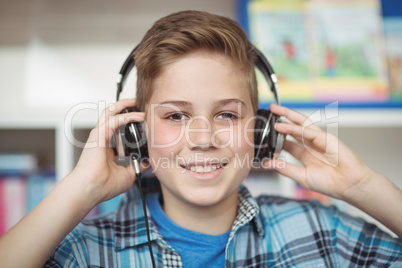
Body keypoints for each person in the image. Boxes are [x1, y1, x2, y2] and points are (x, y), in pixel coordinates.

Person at [0, 10, 401, 268]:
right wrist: (81, 188)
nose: (204, 138)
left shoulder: (318, 232)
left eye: (227, 114)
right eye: (176, 116)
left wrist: (363, 187)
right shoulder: (88, 252)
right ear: (136, 134)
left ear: (260, 132)